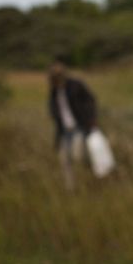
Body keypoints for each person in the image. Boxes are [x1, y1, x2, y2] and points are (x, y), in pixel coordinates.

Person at [48, 60, 97, 190]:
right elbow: (53, 110)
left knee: (78, 156)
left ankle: (90, 176)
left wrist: (91, 120)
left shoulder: (76, 85)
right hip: (64, 131)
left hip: (79, 127)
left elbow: (90, 100)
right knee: (64, 160)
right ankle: (71, 188)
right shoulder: (54, 92)